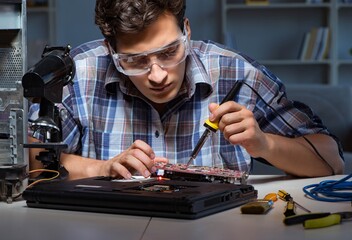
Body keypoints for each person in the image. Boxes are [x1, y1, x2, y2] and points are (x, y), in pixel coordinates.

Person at [28, 0, 344, 180]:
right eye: (134, 60)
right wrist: (104, 168)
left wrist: (264, 144)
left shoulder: (237, 73)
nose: (157, 75)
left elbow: (331, 161)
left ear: (187, 32)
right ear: (110, 51)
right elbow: (33, 163)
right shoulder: (79, 73)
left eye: (169, 52)